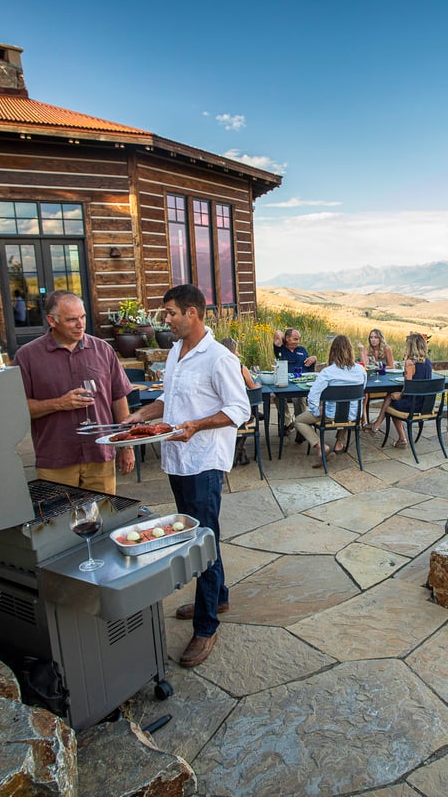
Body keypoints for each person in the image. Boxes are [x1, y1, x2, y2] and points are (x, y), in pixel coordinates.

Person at [123, 284, 249, 668]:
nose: (166, 320)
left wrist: (198, 425)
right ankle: (219, 595)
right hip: (177, 458)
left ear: (192, 313)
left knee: (201, 540)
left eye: (171, 313)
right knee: (200, 531)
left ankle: (206, 625)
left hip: (204, 461)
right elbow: (169, 401)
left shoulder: (218, 358)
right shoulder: (176, 352)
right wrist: (140, 416)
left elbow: (239, 408)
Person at [14, 290, 135, 493]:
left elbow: (118, 399)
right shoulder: (27, 356)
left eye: (83, 317)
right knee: (58, 522)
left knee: (102, 521)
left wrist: (127, 446)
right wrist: (59, 403)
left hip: (100, 455)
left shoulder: (103, 350)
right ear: (51, 321)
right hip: (56, 458)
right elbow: (19, 408)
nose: (80, 324)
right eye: (72, 320)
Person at [292, 335, 367, 467]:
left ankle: (320, 446)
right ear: (351, 350)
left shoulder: (328, 372)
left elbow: (313, 395)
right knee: (347, 410)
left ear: (332, 351)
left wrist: (315, 411)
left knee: (299, 420)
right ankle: (339, 444)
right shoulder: (361, 370)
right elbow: (362, 390)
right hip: (354, 415)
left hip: (331, 414)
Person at [365, 332, 433, 448]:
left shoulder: (410, 363)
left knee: (391, 400)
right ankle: (377, 425)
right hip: (425, 404)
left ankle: (395, 434)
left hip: (413, 404)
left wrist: (400, 394)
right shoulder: (428, 362)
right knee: (390, 397)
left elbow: (408, 388)